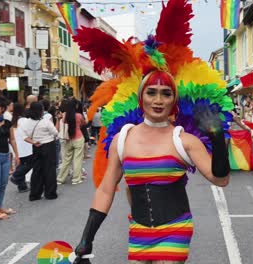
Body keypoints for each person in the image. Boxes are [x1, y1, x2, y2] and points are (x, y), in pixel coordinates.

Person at [71, 70, 230, 264]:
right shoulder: (122, 140)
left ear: (174, 100)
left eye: (166, 93)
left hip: (175, 229)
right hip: (139, 229)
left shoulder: (184, 140)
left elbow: (221, 179)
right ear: (141, 97)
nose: (158, 100)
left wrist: (217, 136)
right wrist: (87, 239)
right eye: (151, 92)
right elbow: (105, 190)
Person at [23, 102, 59, 201]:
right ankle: (50, 193)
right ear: (41, 110)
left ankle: (35, 194)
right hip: (48, 145)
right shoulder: (45, 121)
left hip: (36, 146)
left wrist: (34, 142)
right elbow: (55, 132)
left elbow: (25, 136)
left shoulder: (27, 122)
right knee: (49, 169)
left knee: (37, 170)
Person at [56, 99, 86, 185]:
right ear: (75, 106)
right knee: (77, 159)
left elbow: (63, 122)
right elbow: (83, 124)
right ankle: (76, 179)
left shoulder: (65, 116)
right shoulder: (79, 116)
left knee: (66, 160)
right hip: (78, 138)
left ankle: (60, 179)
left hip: (68, 139)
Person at [9, 103, 32, 193]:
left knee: (21, 164)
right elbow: (29, 131)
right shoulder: (23, 120)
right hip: (25, 145)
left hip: (17, 146)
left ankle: (22, 186)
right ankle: (16, 175)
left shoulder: (13, 120)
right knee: (30, 163)